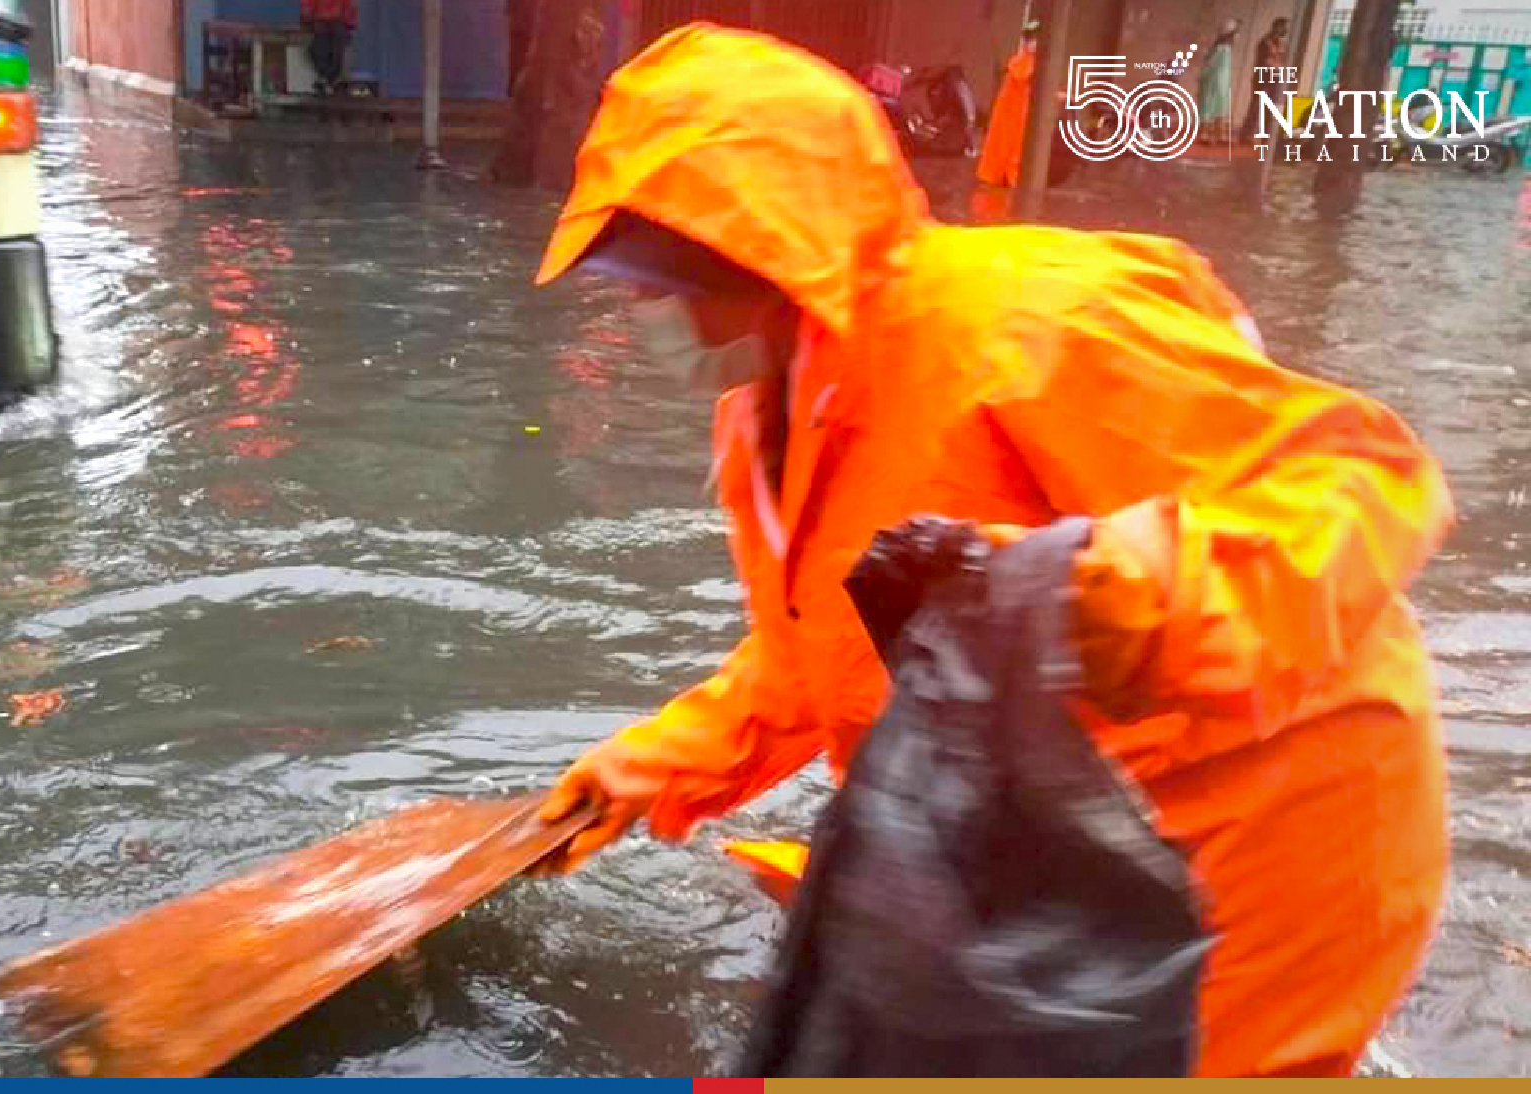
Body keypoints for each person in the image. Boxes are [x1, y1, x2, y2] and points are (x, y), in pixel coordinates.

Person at [533, 24, 1451, 1077]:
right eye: (638, 271)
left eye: (674, 266)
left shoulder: (1030, 318)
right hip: (1051, 827)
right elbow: (815, 654)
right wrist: (642, 769)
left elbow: (1359, 475)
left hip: (1259, 839)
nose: (656, 302)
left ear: (769, 249)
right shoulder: (765, 424)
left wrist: (1133, 591)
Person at [975, 21, 1036, 186]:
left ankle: (1006, 175)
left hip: (1018, 112)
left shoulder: (1029, 62)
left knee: (1012, 146)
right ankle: (1006, 176)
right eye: (1031, 40)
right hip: (1011, 113)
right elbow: (1022, 76)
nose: (1034, 44)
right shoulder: (1021, 62)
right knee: (1007, 146)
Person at [1242, 17, 1293, 140]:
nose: (1285, 30)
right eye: (1283, 27)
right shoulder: (1265, 42)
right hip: (1263, 78)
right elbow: (1265, 61)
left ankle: (1266, 136)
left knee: (1270, 108)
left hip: (1275, 78)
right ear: (1276, 27)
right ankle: (1246, 135)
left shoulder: (1282, 43)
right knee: (1256, 106)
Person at [300, 0, 358, 95]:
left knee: (334, 47)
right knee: (322, 47)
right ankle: (330, 78)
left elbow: (349, 8)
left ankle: (329, 78)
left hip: (333, 22)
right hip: (326, 22)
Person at [1198, 19, 1239, 142]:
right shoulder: (1223, 49)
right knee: (1211, 107)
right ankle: (1205, 133)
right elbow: (1210, 65)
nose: (1237, 37)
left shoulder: (1223, 48)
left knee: (1218, 108)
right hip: (1215, 82)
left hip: (1221, 82)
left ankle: (1217, 134)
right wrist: (1203, 77)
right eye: (1235, 33)